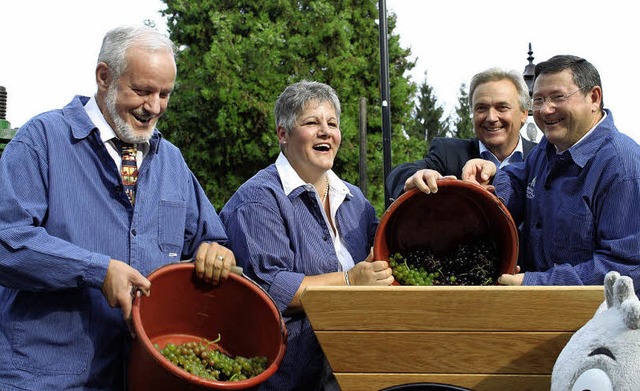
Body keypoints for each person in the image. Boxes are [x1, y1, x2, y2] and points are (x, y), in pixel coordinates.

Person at [0, 25, 236, 389]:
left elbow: (211, 239)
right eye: (142, 91)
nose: (153, 107)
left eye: (164, 94)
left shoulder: (171, 160)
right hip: (47, 378)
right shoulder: (42, 140)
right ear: (104, 77)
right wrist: (96, 270)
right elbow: (7, 241)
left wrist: (216, 252)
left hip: (143, 375)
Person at [220, 80, 394, 390]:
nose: (325, 131)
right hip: (288, 378)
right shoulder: (259, 199)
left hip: (352, 372)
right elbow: (270, 289)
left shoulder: (355, 201)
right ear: (282, 134)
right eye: (311, 122)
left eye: (332, 123)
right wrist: (351, 280)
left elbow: (386, 253)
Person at [462, 54, 640, 293]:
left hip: (595, 323)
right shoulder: (549, 147)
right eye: (538, 100)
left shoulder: (622, 167)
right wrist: (491, 177)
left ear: (594, 98)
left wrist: (535, 282)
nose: (545, 110)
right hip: (539, 315)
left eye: (558, 97)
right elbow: (519, 181)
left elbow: (624, 268)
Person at [385, 67, 537, 201]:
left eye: (502, 107)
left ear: (523, 114)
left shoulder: (540, 158)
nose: (491, 117)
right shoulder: (448, 153)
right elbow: (399, 173)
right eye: (481, 108)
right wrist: (418, 178)